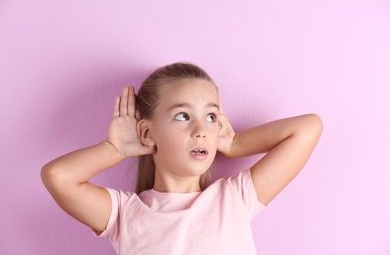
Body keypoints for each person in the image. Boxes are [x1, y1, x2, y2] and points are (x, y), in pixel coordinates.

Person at [41, 62, 323, 254]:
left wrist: (236, 143)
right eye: (183, 116)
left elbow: (308, 128)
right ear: (148, 132)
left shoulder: (236, 198)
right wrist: (115, 149)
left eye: (210, 117)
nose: (201, 130)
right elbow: (58, 177)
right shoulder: (125, 214)